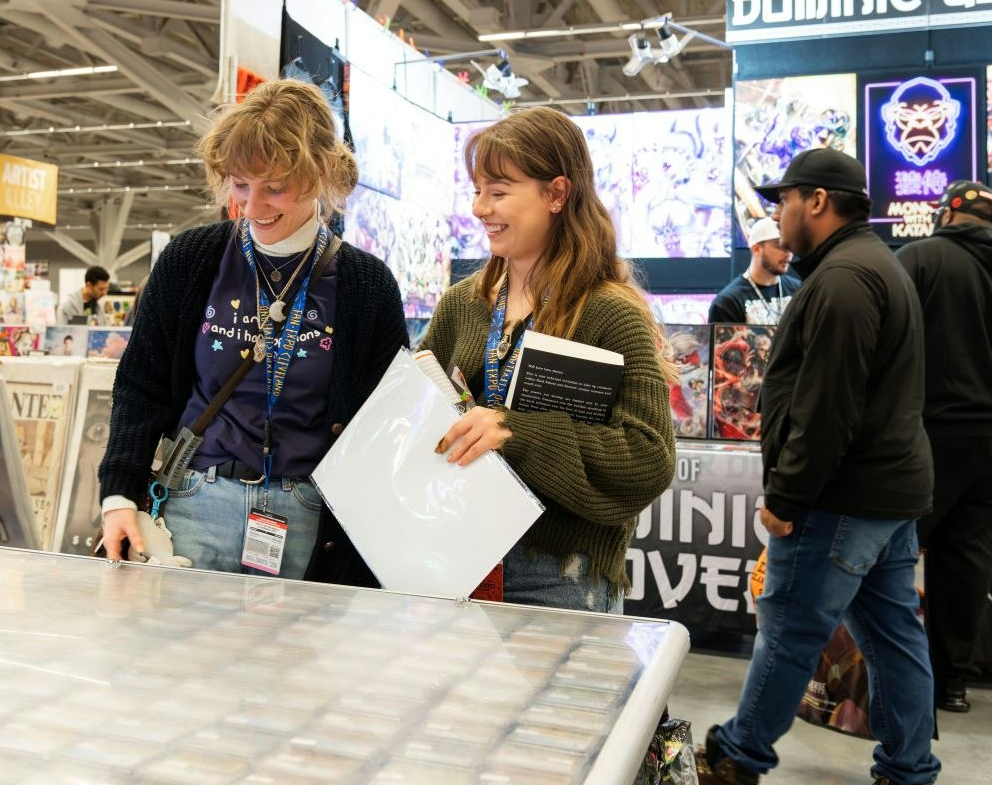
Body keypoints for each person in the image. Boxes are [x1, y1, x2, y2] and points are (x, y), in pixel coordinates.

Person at [97, 78, 408, 580]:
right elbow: (140, 386)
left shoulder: (366, 285)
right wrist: (118, 493)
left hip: (307, 513)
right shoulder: (191, 260)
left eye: (276, 187)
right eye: (241, 183)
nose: (252, 205)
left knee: (295, 658)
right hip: (196, 503)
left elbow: (385, 426)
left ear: (320, 173)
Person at [697, 149, 939, 785]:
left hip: (839, 497)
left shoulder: (841, 281)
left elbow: (827, 407)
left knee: (791, 630)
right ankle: (909, 765)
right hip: (886, 493)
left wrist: (787, 496)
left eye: (785, 202)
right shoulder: (871, 267)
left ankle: (738, 755)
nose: (778, 217)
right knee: (893, 636)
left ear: (818, 201)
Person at [417, 106, 677, 611]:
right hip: (457, 559)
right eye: (477, 191)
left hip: (559, 574)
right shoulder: (461, 305)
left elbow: (649, 458)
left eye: (498, 192)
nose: (478, 209)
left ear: (557, 193)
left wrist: (514, 434)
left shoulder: (609, 314)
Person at [897, 179, 992, 714]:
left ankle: (874, 674)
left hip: (919, 440)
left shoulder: (917, 259)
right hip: (986, 448)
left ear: (946, 215)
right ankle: (951, 685)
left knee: (882, 554)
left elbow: (881, 339)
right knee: (964, 567)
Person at [708, 217, 800, 325]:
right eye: (780, 246)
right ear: (756, 249)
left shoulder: (799, 290)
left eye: (790, 246)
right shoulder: (728, 302)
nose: (788, 253)